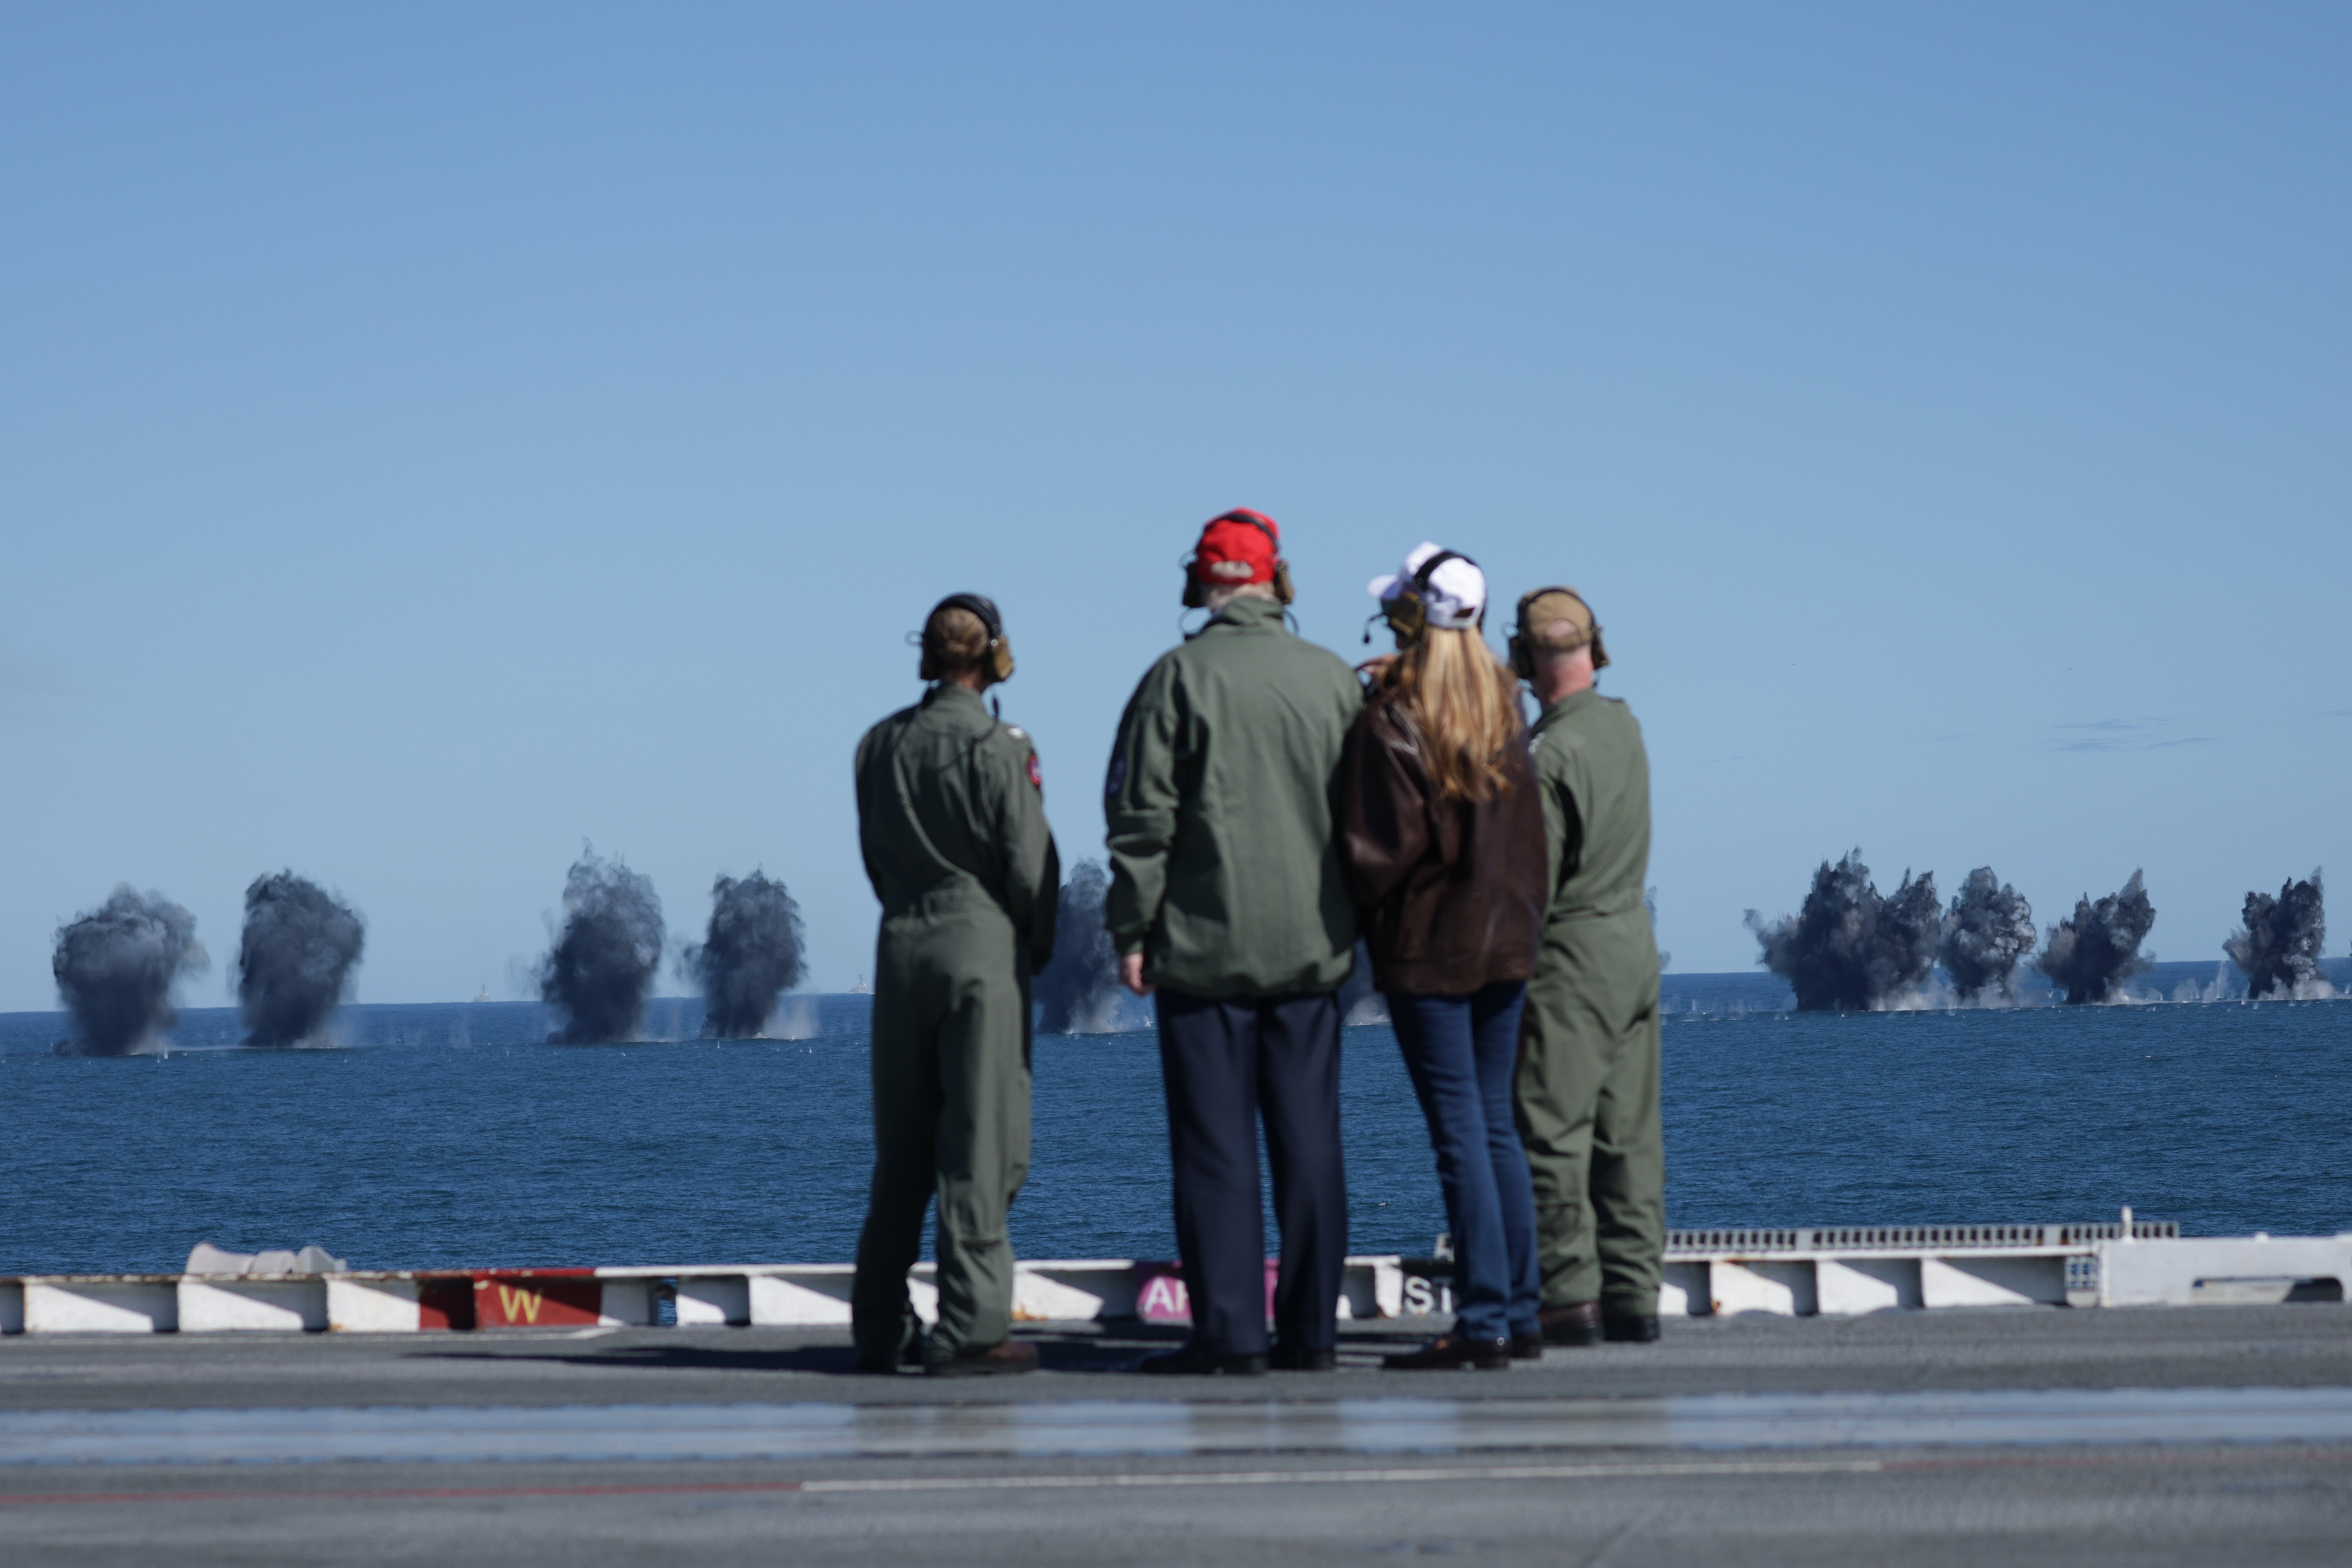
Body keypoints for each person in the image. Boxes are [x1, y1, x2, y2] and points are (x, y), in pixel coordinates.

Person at [1104, 508, 1363, 1376]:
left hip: (1204, 953)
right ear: (1274, 577)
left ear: (1206, 580)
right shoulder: (1333, 679)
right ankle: (1313, 1333)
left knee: (1216, 1149)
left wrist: (1131, 930)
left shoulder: (1176, 679)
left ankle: (1230, 1331)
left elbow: (1143, 822)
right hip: (1313, 949)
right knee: (1311, 1144)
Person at [1339, 544, 1548, 1370]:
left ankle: (1485, 1319)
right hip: (1508, 941)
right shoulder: (1503, 699)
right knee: (1497, 1128)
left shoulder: (1396, 714)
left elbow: (1376, 849)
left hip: (1430, 948)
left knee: (1460, 1132)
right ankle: (1520, 1309)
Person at [850, 593, 1059, 1376]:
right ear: (995, 655)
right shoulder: (1004, 746)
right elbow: (1029, 867)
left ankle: (877, 1323)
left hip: (902, 946)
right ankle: (970, 1324)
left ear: (928, 655)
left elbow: (876, 857)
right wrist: (1030, 949)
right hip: (982, 948)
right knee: (981, 1142)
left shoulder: (878, 745)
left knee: (902, 1145)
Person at [1506, 586, 1665, 1345]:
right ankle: (1636, 1296)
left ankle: (1568, 1297)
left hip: (1573, 949)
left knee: (1552, 1129)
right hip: (1635, 940)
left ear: (1523, 658)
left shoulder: (1549, 753)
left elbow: (1532, 880)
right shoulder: (1624, 728)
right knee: (1629, 1132)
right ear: (1595, 649)